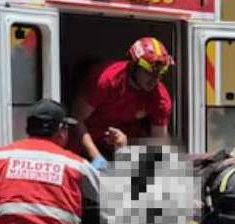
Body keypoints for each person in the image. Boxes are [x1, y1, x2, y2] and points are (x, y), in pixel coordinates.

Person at [72, 37, 173, 171]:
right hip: (84, 143)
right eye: (149, 72)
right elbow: (76, 118)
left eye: (160, 73)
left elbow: (159, 143)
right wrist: (96, 158)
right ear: (133, 66)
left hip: (123, 147)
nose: (155, 79)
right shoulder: (105, 80)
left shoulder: (160, 98)